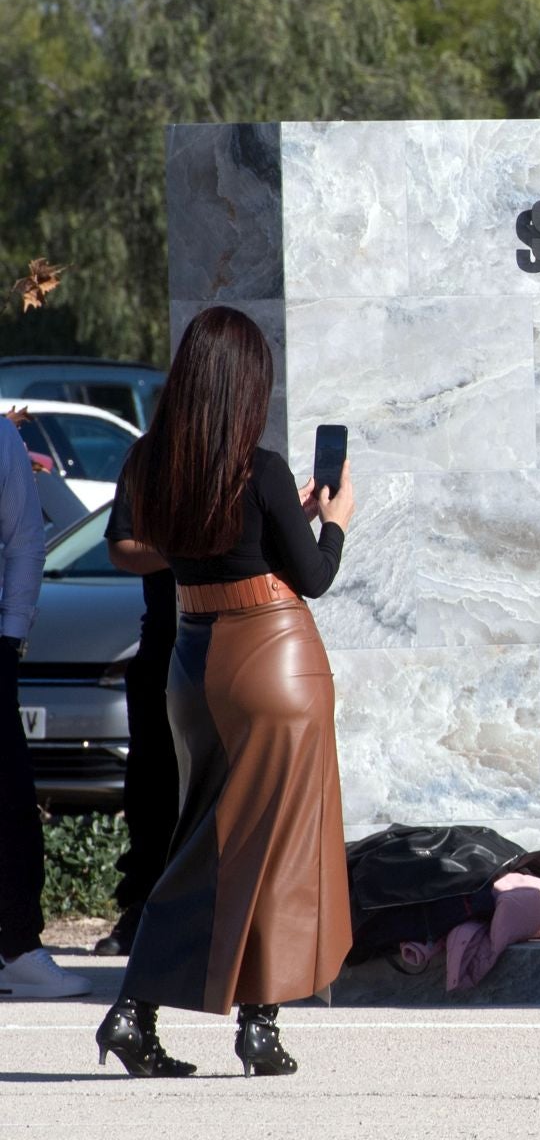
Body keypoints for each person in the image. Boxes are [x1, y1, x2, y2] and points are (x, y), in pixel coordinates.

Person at [95, 305, 355, 1077]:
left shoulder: (153, 464)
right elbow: (314, 577)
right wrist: (333, 521)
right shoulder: (259, 468)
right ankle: (256, 1026)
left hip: (192, 663)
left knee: (207, 836)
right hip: (274, 659)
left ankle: (141, 1014)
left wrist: (265, 527)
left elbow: (130, 547)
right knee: (273, 844)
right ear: (246, 385)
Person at [0, 414, 91, 1001]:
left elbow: (25, 540)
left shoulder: (2, 440)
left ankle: (16, 946)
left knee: (9, 798)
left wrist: (12, 633)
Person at [93, 503, 177, 957]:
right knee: (151, 789)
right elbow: (122, 547)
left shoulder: (244, 452)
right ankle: (144, 906)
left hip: (231, 644)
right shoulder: (150, 457)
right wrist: (186, 550)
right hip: (164, 644)